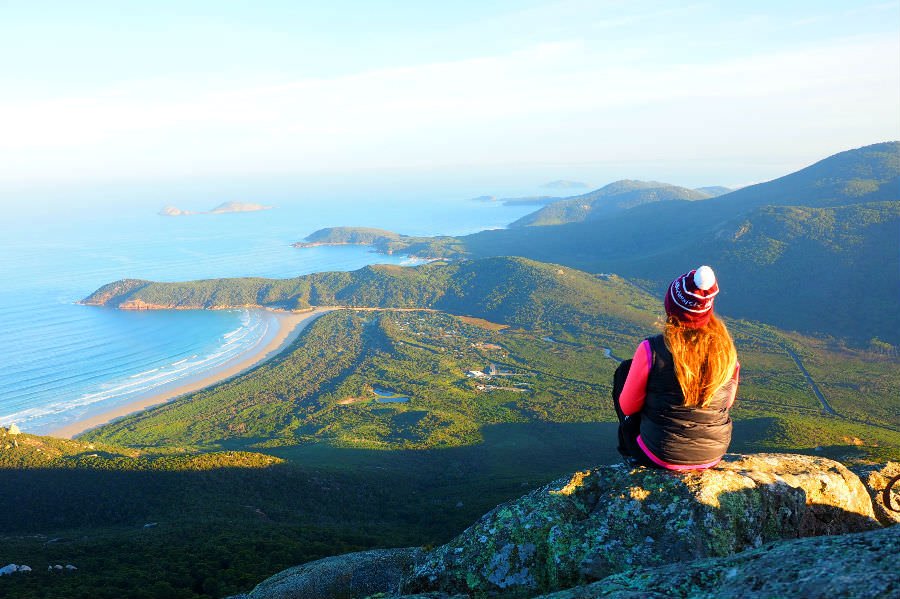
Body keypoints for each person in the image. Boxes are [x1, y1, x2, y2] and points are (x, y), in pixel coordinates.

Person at [613, 265, 739, 470]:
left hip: (659, 453)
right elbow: (728, 401)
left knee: (625, 371)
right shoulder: (727, 352)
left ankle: (631, 454)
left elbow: (628, 407)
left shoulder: (652, 349)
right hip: (712, 453)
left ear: (670, 307)